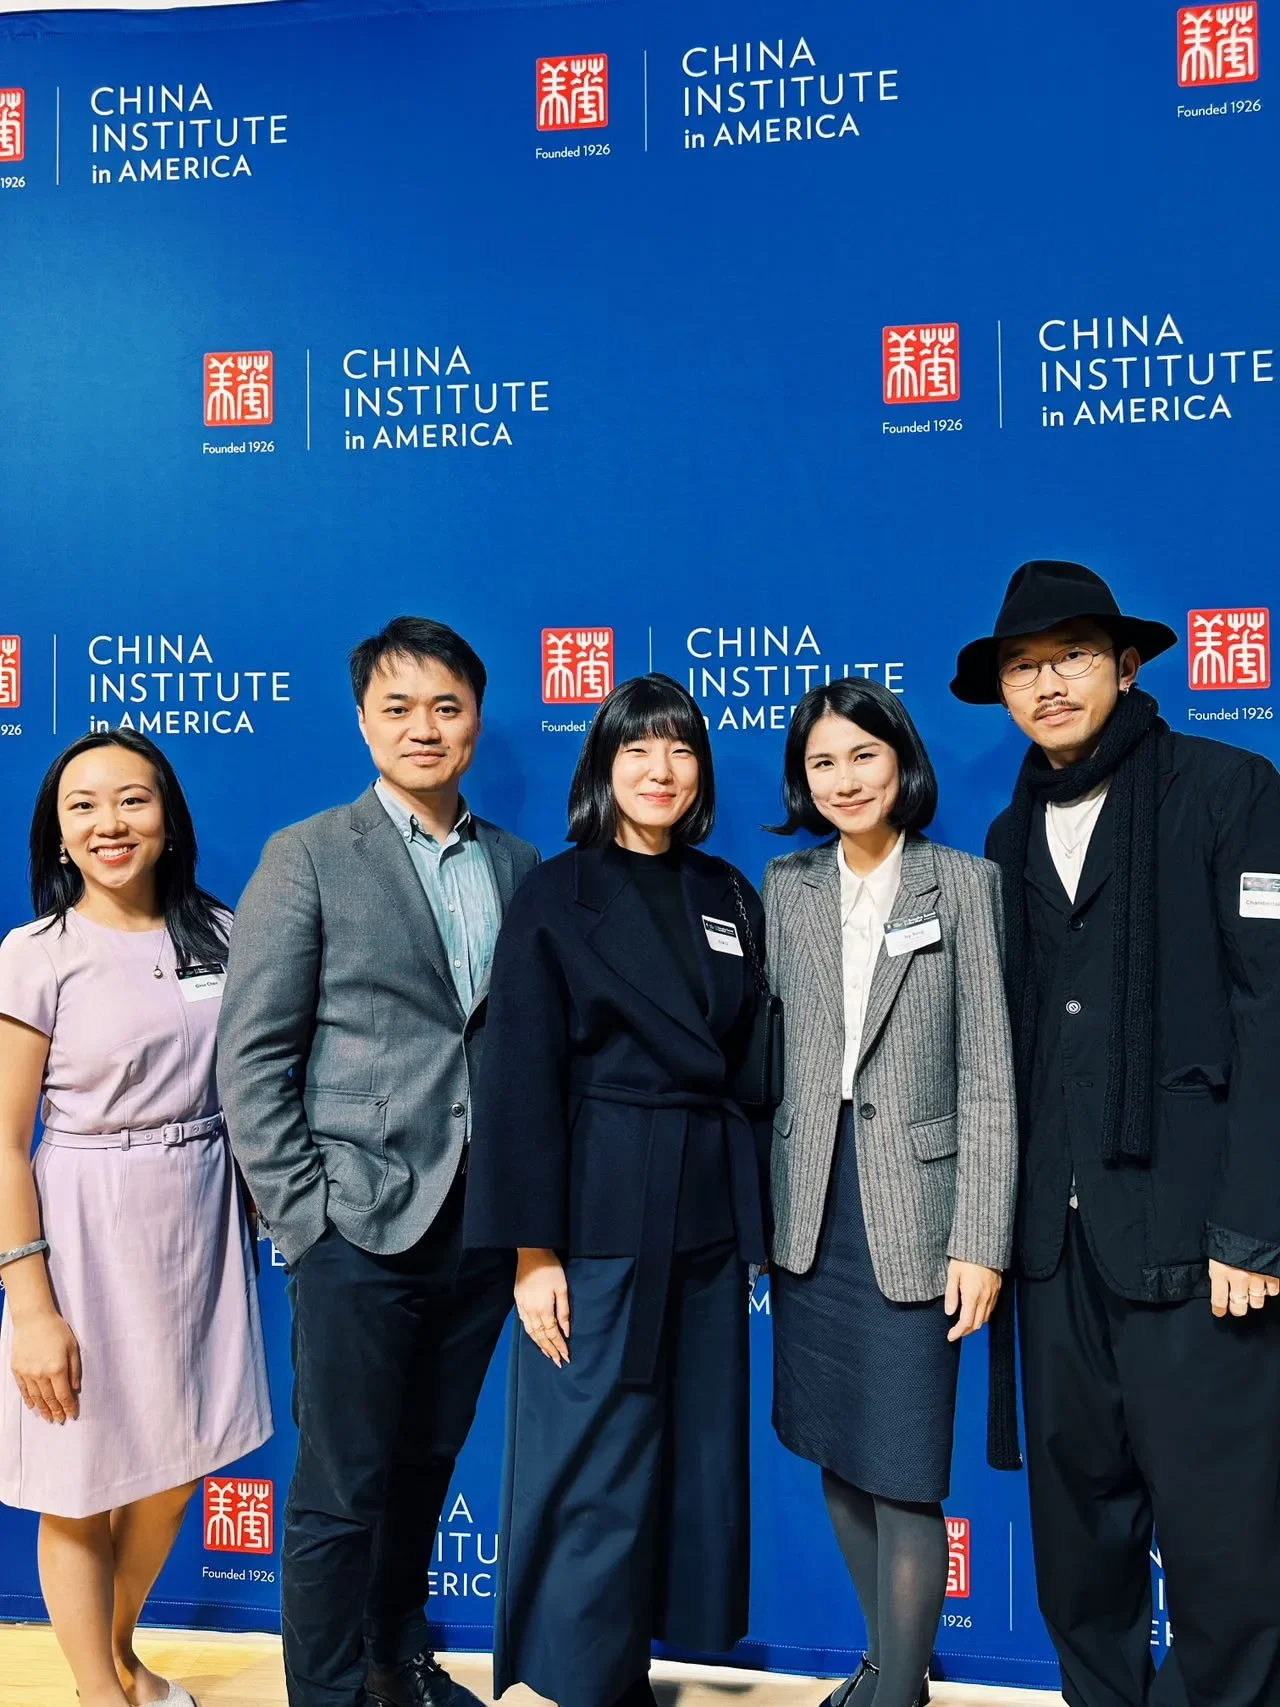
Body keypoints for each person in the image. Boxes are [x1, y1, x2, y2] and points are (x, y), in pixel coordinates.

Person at [952, 560, 1280, 1707]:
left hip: (1197, 1237)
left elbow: (1271, 1011)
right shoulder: (1004, 834)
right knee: (1074, 1540)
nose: (1046, 684)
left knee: (1221, 1537)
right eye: (1022, 668)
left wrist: (1252, 1224)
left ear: (1126, 666)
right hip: (1052, 1243)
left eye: (1071, 658)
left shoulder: (1227, 790)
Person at [217, 617, 538, 1707]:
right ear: (362, 721)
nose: (423, 727)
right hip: (354, 1221)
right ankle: (324, 1693)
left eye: (446, 706)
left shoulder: (515, 863)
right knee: (341, 1485)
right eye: (397, 707)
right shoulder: (308, 852)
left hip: (479, 1225)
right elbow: (252, 1053)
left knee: (425, 1466)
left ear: (476, 720)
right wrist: (304, 1218)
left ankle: (396, 1662)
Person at [463, 673, 769, 1707]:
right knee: (592, 1454)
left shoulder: (728, 893)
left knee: (689, 1453)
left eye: (679, 748)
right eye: (636, 748)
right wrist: (531, 1250)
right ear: (602, 765)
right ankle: (585, 1682)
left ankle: (635, 1661)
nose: (659, 769)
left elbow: (751, 1062)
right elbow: (517, 1077)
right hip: (598, 1212)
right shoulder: (556, 893)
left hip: (706, 1215)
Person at [0, 730, 271, 1707]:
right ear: (57, 834)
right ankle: (99, 1695)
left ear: (167, 819)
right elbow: (4, 1142)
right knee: (79, 1482)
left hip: (200, 1217)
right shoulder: (36, 955)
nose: (108, 823)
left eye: (132, 800)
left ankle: (115, 1655)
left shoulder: (224, 933)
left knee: (173, 1468)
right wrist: (32, 1307)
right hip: (85, 1224)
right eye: (82, 806)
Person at [762, 680, 1018, 1707]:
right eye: (822, 762)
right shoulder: (785, 887)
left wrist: (980, 1238)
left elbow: (989, 1073)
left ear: (900, 760)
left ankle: (899, 1690)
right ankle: (882, 1665)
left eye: (862, 755)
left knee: (905, 1467)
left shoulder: (964, 884)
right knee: (835, 1447)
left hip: (918, 1212)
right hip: (808, 1209)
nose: (844, 780)